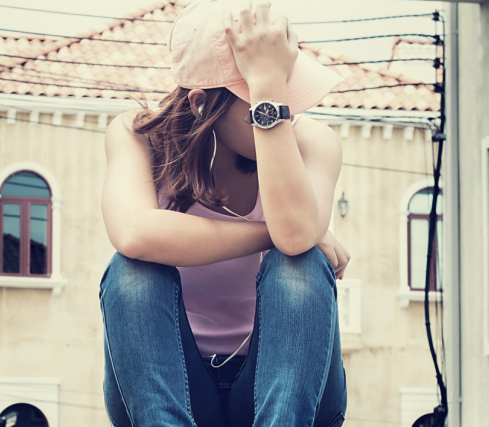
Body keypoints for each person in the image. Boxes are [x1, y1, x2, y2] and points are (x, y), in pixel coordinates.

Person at [99, 0, 350, 425]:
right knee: (133, 271)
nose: (285, 113)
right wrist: (268, 232)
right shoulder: (139, 135)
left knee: (301, 262)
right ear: (201, 104)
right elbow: (134, 234)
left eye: (284, 96)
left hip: (288, 391)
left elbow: (295, 239)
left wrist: (266, 88)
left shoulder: (315, 142)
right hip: (169, 387)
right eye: (263, 104)